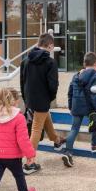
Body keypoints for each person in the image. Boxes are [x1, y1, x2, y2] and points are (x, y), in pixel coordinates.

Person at [20, 32, 66, 175]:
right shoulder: (50, 62)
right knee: (36, 129)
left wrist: (25, 98)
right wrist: (50, 98)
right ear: (50, 45)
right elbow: (53, 85)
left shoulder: (25, 60)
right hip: (42, 99)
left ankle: (56, 139)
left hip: (29, 98)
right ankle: (29, 162)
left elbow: (22, 81)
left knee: (44, 118)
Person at [61, 52, 96, 168]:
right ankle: (94, 145)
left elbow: (69, 92)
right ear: (95, 64)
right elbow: (95, 95)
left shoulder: (76, 76)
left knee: (74, 129)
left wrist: (70, 106)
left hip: (76, 105)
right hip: (89, 106)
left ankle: (68, 152)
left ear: (85, 64)